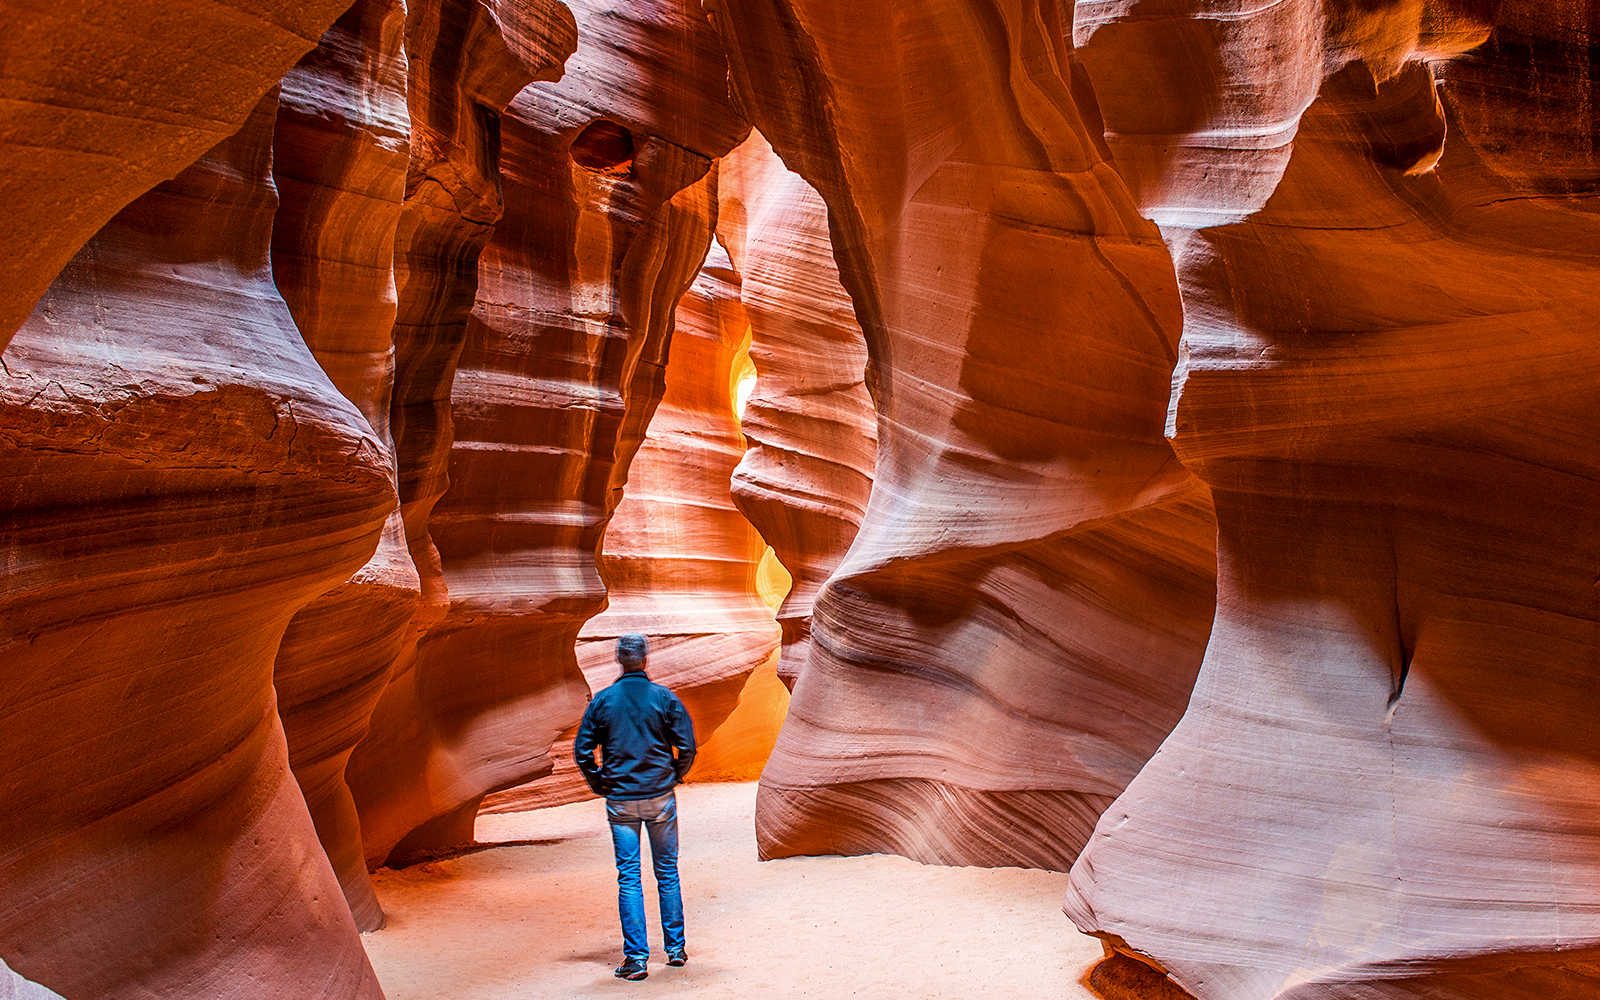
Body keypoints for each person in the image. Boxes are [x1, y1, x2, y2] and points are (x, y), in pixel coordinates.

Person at [574, 633, 697, 981]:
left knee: (629, 877)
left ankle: (637, 959)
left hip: (622, 801)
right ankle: (675, 949)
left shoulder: (602, 701)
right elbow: (687, 746)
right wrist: (673, 776)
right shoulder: (664, 698)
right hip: (659, 797)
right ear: (644, 660)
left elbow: (583, 752)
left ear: (619, 660)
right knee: (667, 873)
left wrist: (601, 783)